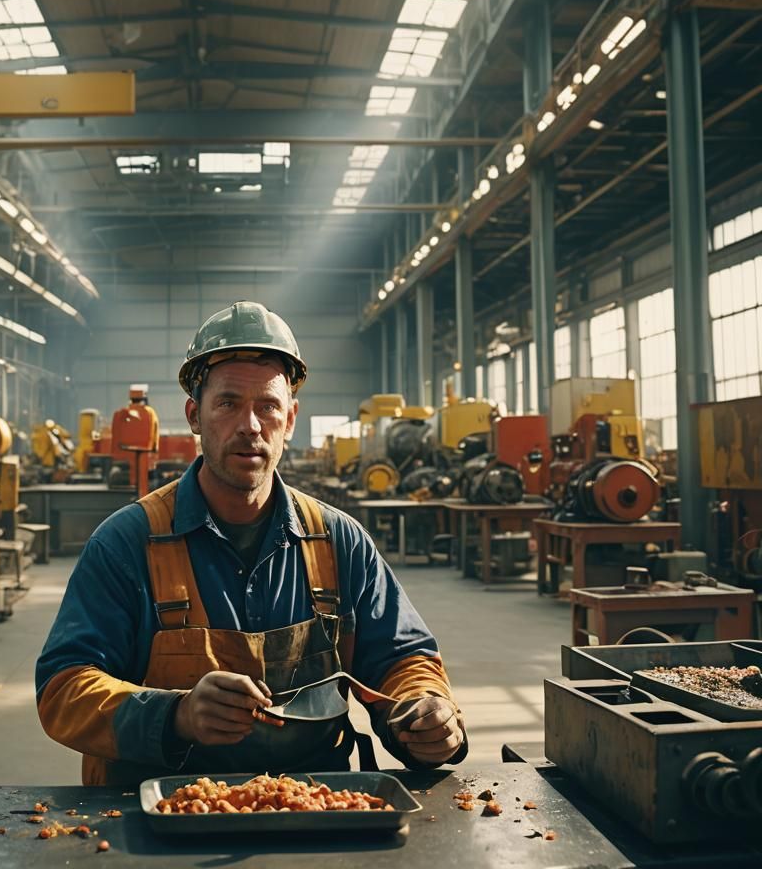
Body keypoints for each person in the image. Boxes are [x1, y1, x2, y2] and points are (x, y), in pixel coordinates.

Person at [36, 301, 466, 785]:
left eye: (268, 406)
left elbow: (402, 659)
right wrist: (174, 715)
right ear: (195, 415)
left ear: (291, 418)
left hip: (314, 805)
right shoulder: (127, 544)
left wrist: (425, 711)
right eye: (228, 404)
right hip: (158, 811)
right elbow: (63, 688)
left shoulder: (338, 542)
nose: (251, 426)